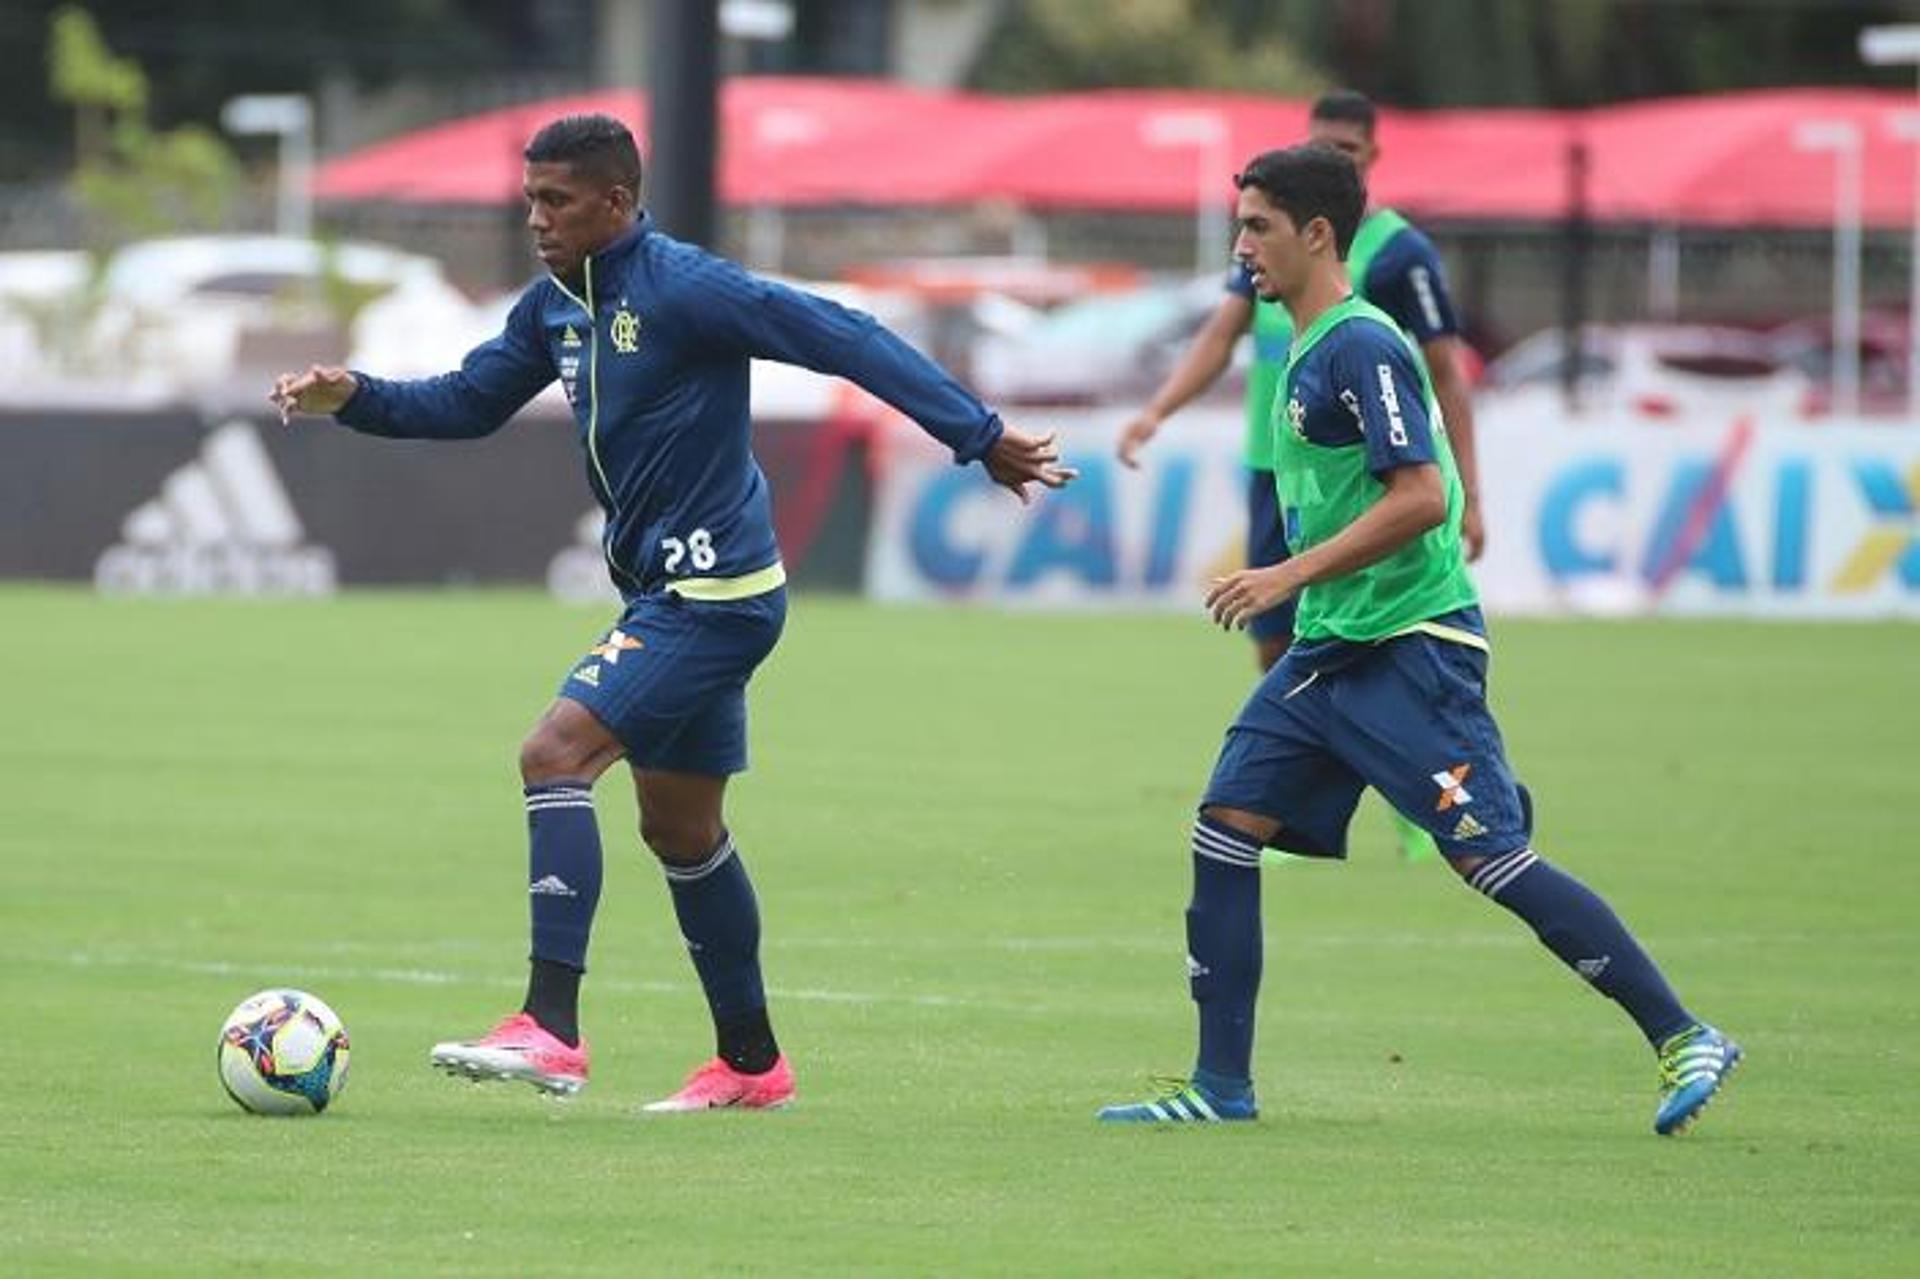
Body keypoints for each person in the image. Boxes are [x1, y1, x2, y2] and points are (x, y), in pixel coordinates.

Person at [269, 114, 1073, 1111]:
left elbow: (844, 336)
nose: (535, 218)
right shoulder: (555, 305)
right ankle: (750, 1063)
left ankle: (550, 1026)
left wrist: (978, 434)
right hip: (669, 592)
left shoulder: (688, 287)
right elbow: (470, 401)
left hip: (714, 593)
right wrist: (356, 396)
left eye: (555, 200)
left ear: (615, 202)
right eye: (530, 199)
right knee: (682, 829)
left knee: (553, 754)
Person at [1096, 146, 1738, 1135]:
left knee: (1491, 859)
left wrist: (1287, 571)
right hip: (1331, 650)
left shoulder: (1364, 344)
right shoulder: (1307, 346)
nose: (1243, 247)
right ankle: (1221, 1088)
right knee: (1225, 826)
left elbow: (1423, 495)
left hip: (1411, 646)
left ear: (1317, 233)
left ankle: (1683, 1032)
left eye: (1259, 226)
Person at [1122, 90, 1478, 866]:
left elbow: (1443, 374)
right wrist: (1156, 411)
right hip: (1278, 467)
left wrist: (1469, 493)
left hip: (1362, 477)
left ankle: (1424, 797)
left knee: (1362, 637)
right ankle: (1276, 801)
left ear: (1371, 159)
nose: (1246, 244)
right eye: (1325, 144)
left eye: (1348, 148)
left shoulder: (1392, 257)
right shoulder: (1267, 241)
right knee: (1277, 640)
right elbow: (1222, 333)